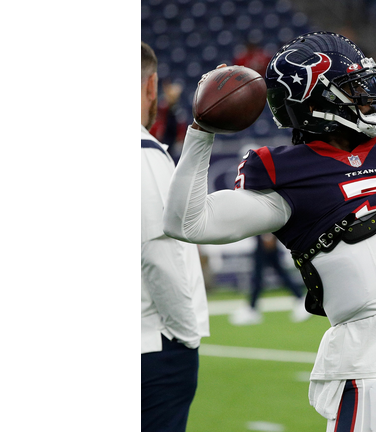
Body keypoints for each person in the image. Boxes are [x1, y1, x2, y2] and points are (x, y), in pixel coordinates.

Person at [163, 32, 376, 432]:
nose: (368, 96)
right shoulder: (286, 173)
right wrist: (200, 132)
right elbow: (185, 222)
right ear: (316, 101)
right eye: (354, 88)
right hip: (366, 368)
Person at [141, 41, 209, 432]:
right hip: (154, 345)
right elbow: (156, 253)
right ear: (151, 86)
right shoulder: (143, 153)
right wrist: (186, 337)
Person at [229, 233, 312, 325]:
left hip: (265, 237)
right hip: (264, 237)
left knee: (261, 275)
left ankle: (252, 308)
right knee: (273, 273)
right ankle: (300, 298)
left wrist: (268, 237)